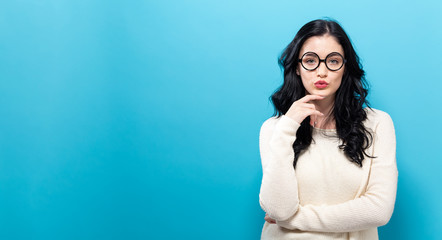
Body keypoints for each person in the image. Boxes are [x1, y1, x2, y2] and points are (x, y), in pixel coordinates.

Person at [258, 19, 398, 239]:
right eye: (310, 60)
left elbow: (379, 210)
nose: (321, 72)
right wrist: (289, 125)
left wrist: (293, 220)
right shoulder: (275, 129)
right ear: (296, 67)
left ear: (345, 67)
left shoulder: (377, 123)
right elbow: (278, 209)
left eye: (333, 61)